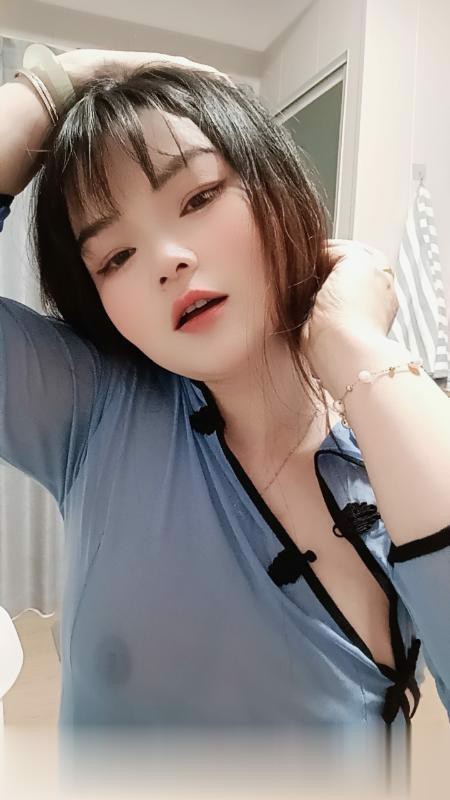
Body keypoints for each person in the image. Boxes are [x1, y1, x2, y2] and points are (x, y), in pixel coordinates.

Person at [0, 46, 443, 795]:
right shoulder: (96, 408)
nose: (166, 259)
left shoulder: (393, 438)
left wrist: (358, 351)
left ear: (274, 182)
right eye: (115, 258)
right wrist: (57, 79)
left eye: (199, 197)